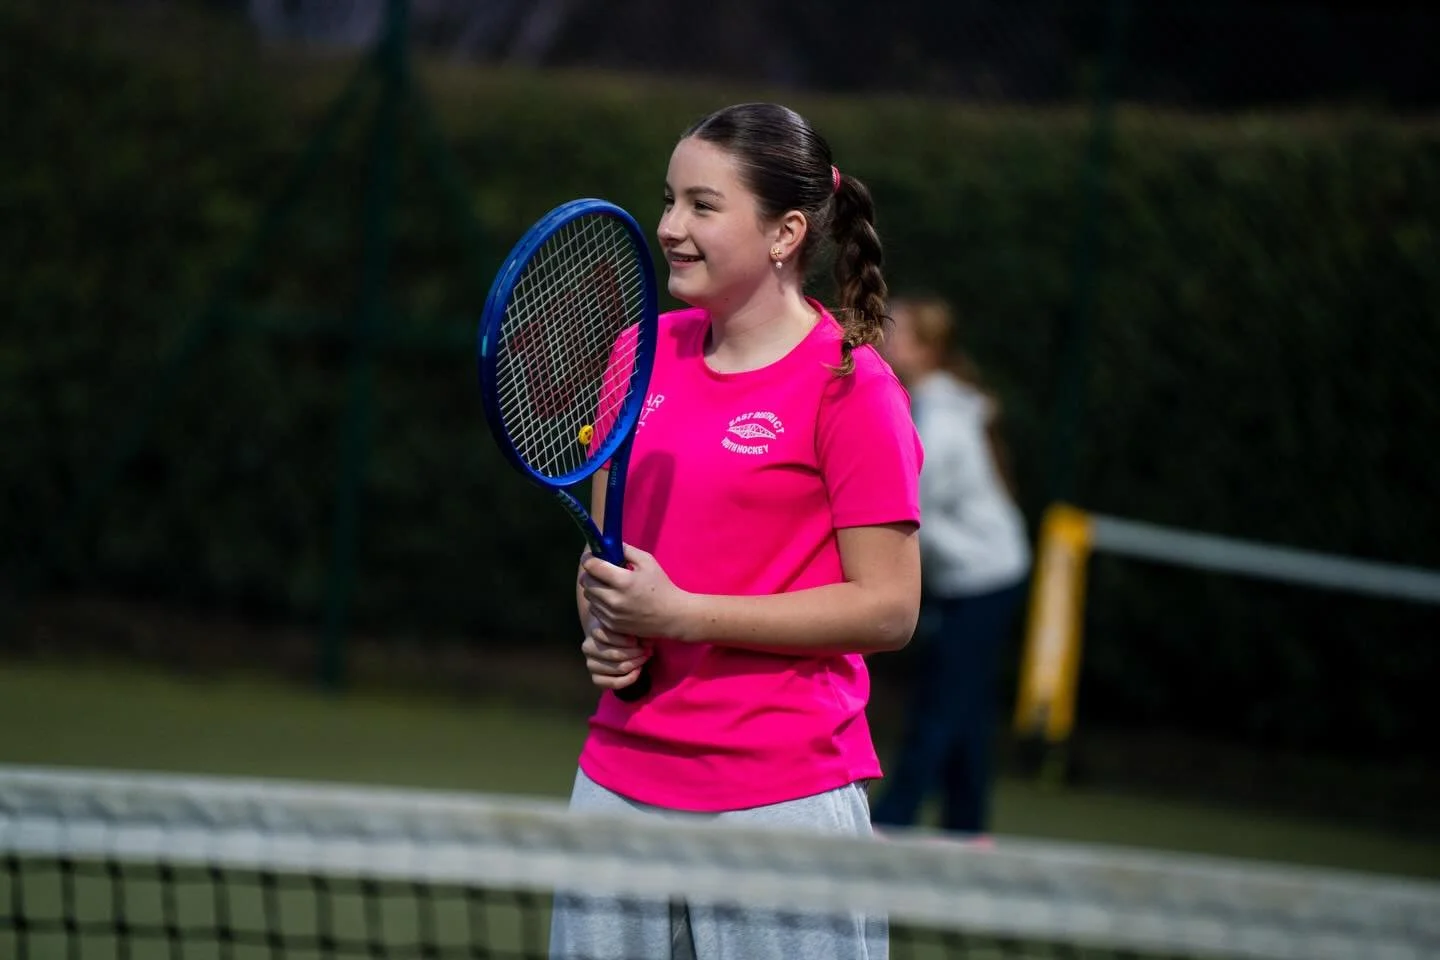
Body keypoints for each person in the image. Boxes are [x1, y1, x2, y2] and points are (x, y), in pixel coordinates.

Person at [549, 102, 924, 960]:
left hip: (779, 804)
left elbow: (889, 608)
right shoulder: (636, 352)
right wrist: (603, 625)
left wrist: (683, 615)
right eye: (669, 199)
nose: (671, 227)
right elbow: (607, 555)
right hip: (617, 786)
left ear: (787, 232)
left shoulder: (852, 387)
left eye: (703, 206)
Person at [870, 296, 1031, 839]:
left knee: (942, 703)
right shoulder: (934, 403)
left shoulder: (937, 416)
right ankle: (968, 830)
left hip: (985, 578)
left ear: (928, 348)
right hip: (984, 574)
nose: (886, 341)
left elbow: (907, 504)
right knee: (964, 705)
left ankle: (893, 822)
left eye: (899, 334)